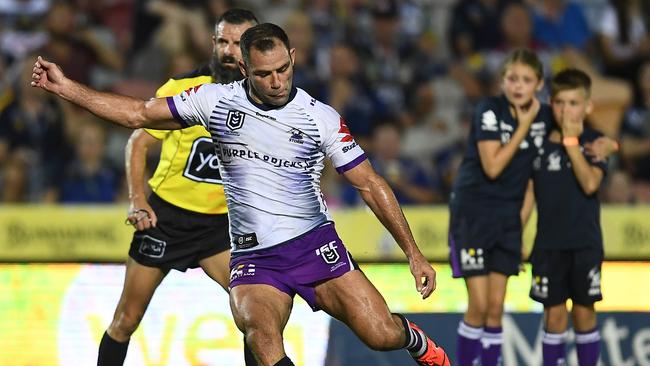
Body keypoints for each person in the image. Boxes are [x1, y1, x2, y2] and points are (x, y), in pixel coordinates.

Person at [31, 23, 450, 366]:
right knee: (262, 338)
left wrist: (413, 252)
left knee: (380, 335)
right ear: (245, 68)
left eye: (284, 69)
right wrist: (67, 88)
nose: (277, 81)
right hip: (254, 259)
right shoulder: (214, 101)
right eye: (265, 73)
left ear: (293, 60)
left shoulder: (319, 117)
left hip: (314, 247)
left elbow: (369, 184)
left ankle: (413, 340)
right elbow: (138, 115)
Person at [95, 9, 259, 366]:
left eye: (238, 43)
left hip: (221, 228)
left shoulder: (266, 98)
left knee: (257, 316)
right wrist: (137, 199)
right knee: (126, 320)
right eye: (222, 41)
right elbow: (138, 142)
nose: (229, 51)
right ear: (213, 44)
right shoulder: (183, 88)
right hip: (166, 219)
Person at [448, 48, 552, 366]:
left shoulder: (546, 120)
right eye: (512, 78)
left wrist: (520, 230)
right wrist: (523, 125)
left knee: (496, 307)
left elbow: (533, 183)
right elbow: (492, 167)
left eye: (526, 79)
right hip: (473, 214)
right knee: (478, 306)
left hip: (507, 218)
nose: (518, 85)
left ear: (539, 83)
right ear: (502, 81)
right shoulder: (488, 110)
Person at [528, 68, 607, 366]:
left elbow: (590, 183)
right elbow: (528, 194)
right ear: (551, 103)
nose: (566, 110)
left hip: (584, 244)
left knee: (585, 312)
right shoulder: (540, 145)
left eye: (574, 103)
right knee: (554, 315)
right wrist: (516, 235)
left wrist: (572, 143)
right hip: (548, 245)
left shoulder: (596, 143)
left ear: (588, 107)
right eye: (560, 103)